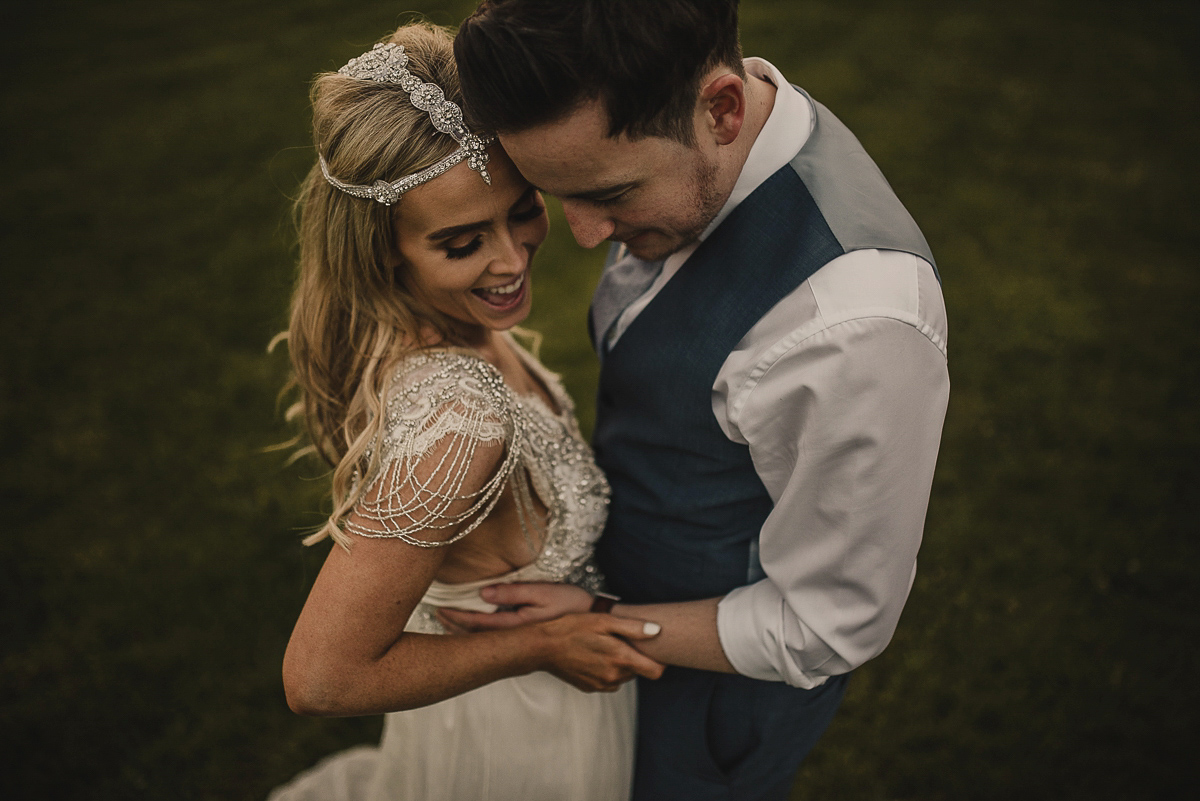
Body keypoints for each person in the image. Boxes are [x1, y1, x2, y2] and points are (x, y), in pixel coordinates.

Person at [441, 2, 952, 799]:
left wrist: (595, 618)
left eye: (610, 192)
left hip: (708, 703)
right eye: (555, 191)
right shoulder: (702, 134)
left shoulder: (852, 327)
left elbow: (829, 621)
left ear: (722, 110)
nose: (581, 233)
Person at [267, 22, 665, 801]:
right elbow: (320, 676)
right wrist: (544, 643)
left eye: (522, 210)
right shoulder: (459, 417)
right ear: (387, 248)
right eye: (461, 242)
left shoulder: (450, 329)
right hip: (520, 739)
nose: (512, 260)